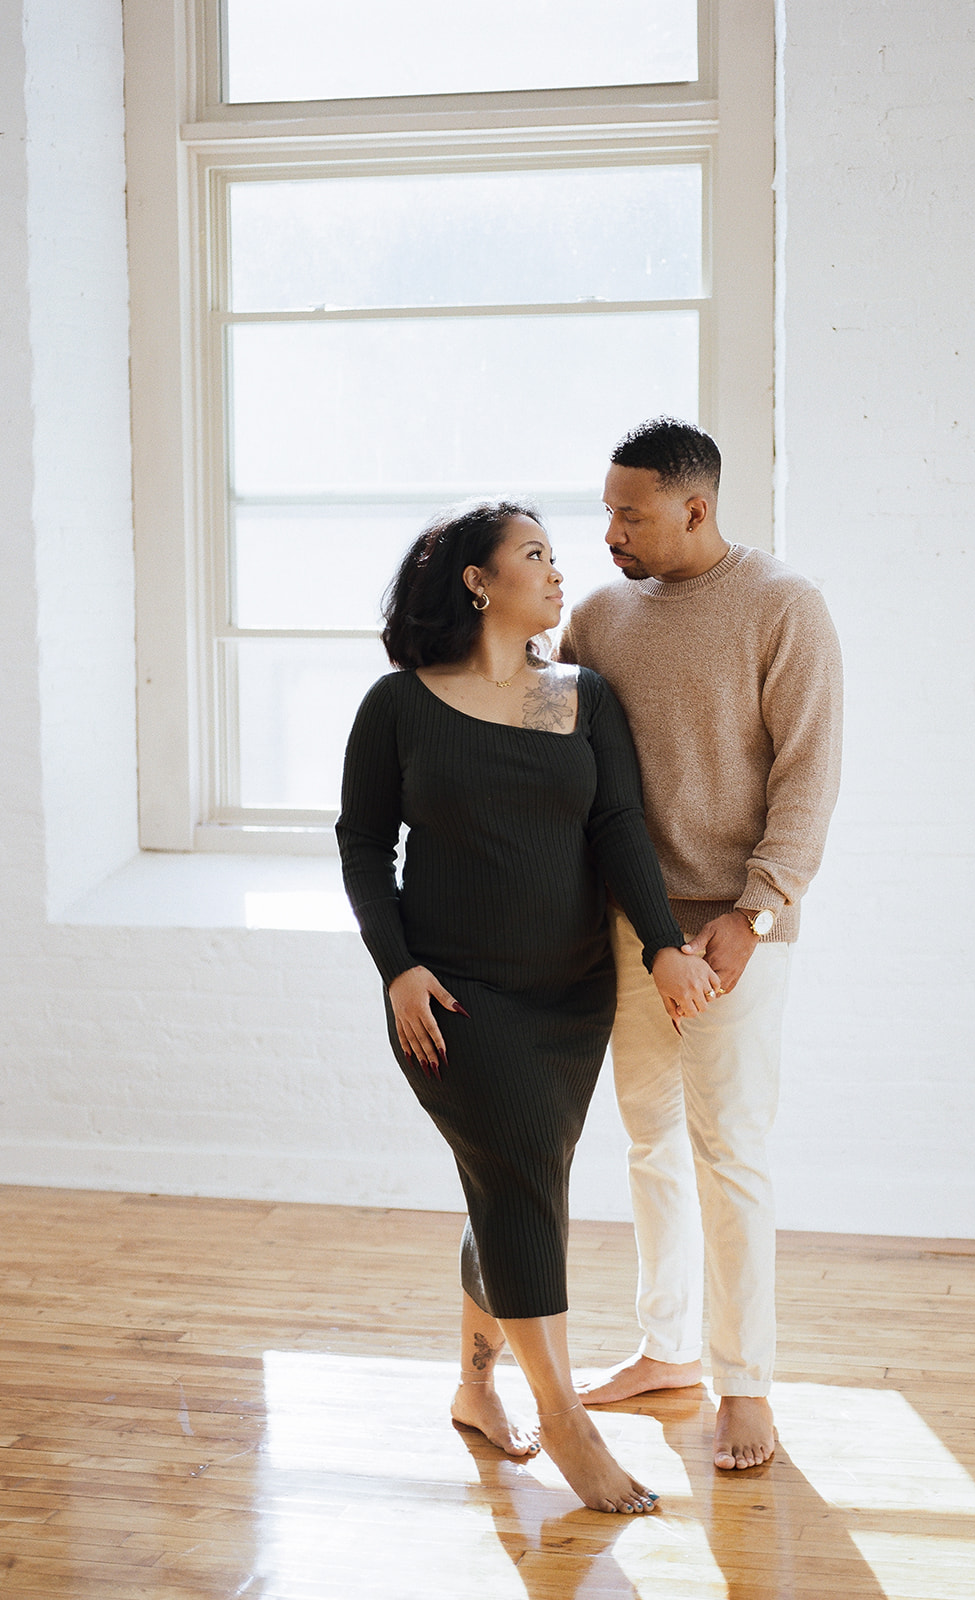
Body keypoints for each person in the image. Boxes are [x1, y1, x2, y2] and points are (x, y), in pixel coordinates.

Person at [336, 499, 722, 1514]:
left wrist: (664, 943)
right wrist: (396, 967)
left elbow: (619, 830)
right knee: (519, 1184)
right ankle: (565, 1423)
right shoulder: (401, 706)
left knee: (513, 1183)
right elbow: (363, 847)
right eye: (535, 555)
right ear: (476, 579)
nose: (561, 573)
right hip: (453, 998)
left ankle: (473, 1384)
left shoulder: (573, 698)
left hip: (568, 992)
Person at [559, 418, 843, 1471]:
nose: (609, 532)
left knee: (730, 1152)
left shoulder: (781, 606)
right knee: (647, 1142)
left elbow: (807, 773)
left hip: (735, 935)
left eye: (626, 513)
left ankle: (746, 1385)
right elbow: (562, 760)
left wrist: (755, 911)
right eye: (603, 511)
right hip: (633, 931)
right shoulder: (598, 616)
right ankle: (667, 1347)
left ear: (695, 506)